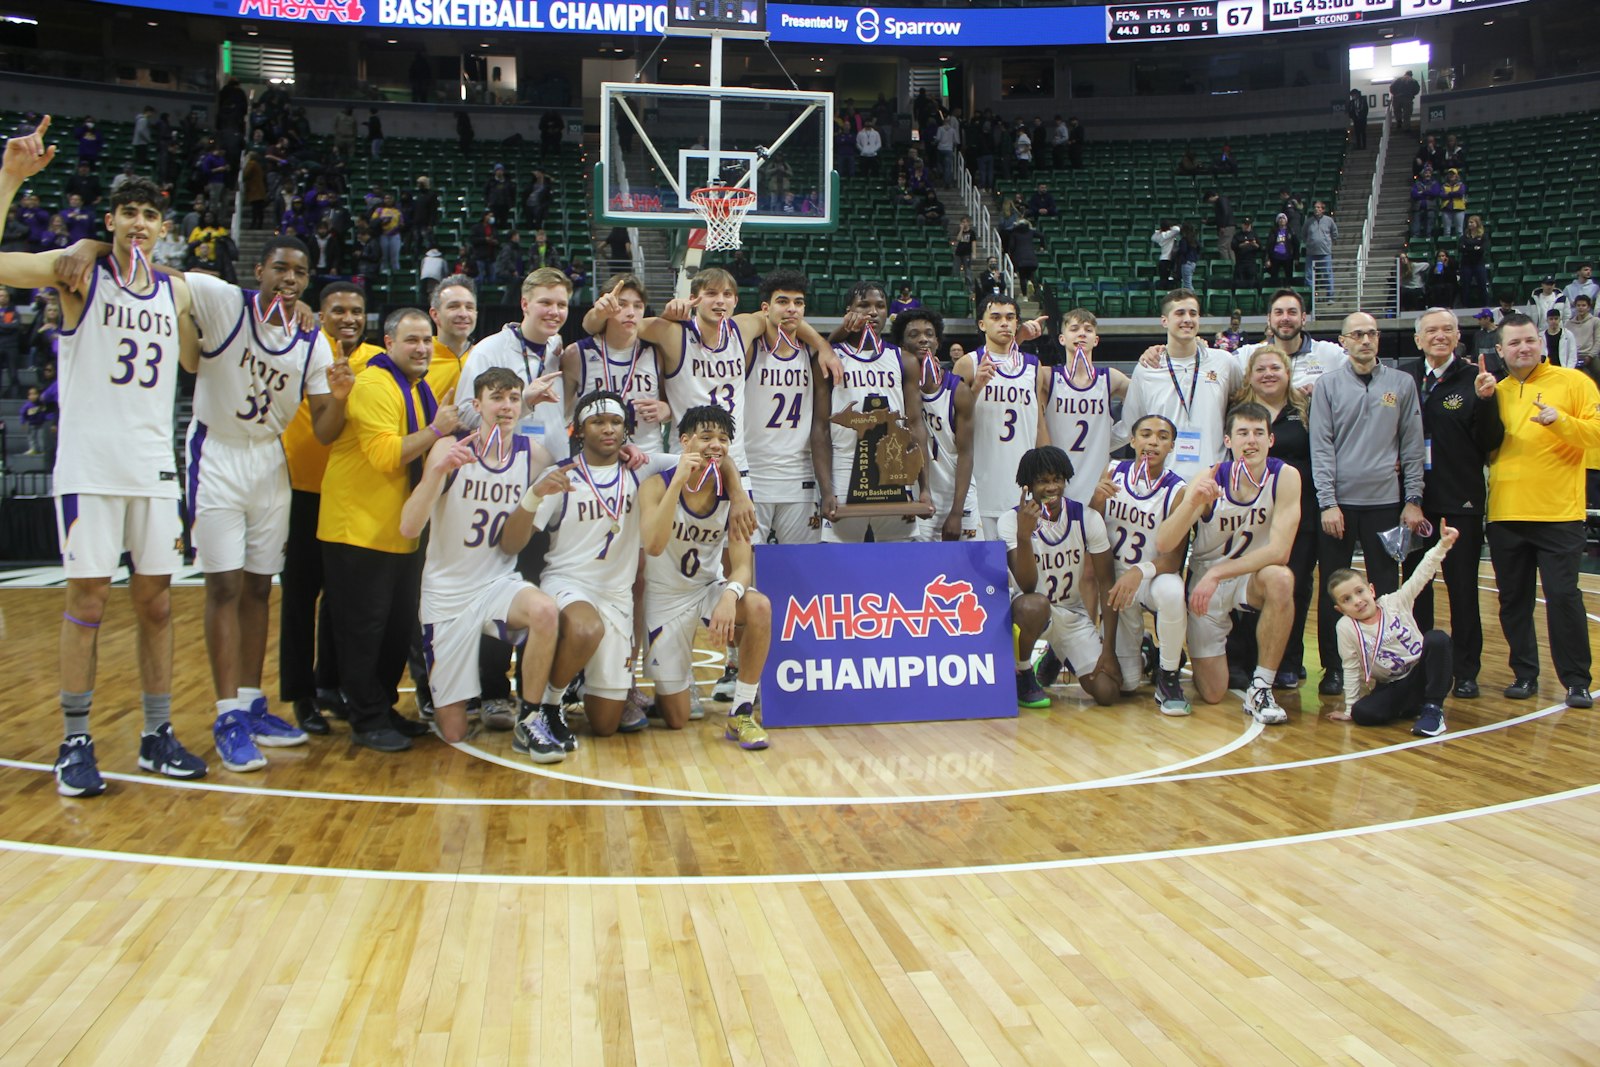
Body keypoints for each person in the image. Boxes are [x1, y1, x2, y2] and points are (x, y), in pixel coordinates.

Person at [0, 119, 206, 795]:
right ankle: (76, 738)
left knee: (156, 605)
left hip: (152, 467)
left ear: (162, 224)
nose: (139, 222)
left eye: (151, 213)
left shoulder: (176, 289)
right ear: (111, 218)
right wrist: (10, 179)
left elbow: (198, 362)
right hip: (90, 466)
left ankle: (155, 733)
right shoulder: (75, 271)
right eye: (128, 212)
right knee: (87, 601)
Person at [182, 237, 354, 770]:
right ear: (258, 270)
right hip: (217, 451)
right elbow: (172, 280)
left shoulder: (312, 339)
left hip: (268, 459)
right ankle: (226, 713)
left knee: (259, 586)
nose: (290, 277)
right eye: (280, 267)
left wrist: (342, 398)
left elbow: (325, 432)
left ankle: (252, 702)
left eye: (300, 272)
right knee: (224, 584)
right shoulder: (223, 300)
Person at [398, 367, 561, 746]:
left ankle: (532, 716)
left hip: (497, 583)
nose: (505, 406)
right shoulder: (450, 449)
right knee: (454, 733)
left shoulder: (535, 457)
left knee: (545, 611)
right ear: (477, 404)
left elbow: (516, 541)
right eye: (496, 397)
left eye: (513, 398)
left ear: (523, 405)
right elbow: (409, 527)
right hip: (447, 592)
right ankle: (453, 701)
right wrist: (437, 471)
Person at [320, 308, 457, 752]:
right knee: (364, 630)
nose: (421, 348)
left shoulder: (415, 387)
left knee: (396, 629)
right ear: (389, 342)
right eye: (411, 340)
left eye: (426, 341)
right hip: (358, 529)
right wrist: (438, 429)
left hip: (398, 531)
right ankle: (364, 717)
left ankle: (380, 707)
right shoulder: (376, 384)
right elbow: (385, 455)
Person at [1154, 403, 1301, 721]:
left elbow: (1280, 552)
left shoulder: (1286, 477)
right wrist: (1192, 502)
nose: (1252, 440)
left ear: (1270, 440)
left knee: (1281, 578)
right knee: (1213, 693)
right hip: (1207, 581)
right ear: (1228, 440)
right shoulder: (1208, 478)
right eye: (1243, 433)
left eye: (1259, 433)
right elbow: (1164, 542)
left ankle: (1261, 688)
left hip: (1249, 574)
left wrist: (1220, 572)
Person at [278, 282, 381, 734]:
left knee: (343, 599)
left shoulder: (376, 360)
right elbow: (257, 306)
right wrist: (291, 303)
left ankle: (330, 686)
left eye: (356, 311)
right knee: (300, 597)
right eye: (338, 310)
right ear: (320, 315)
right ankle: (300, 696)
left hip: (351, 494)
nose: (349, 318)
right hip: (301, 489)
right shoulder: (303, 345)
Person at [1309, 311, 1426, 695]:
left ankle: (1391, 666)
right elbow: (1321, 446)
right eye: (1357, 334)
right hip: (1338, 506)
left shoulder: (1401, 383)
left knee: (1385, 593)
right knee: (1335, 591)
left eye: (1372, 334)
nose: (1365, 340)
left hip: (1386, 505)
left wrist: (1413, 499)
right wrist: (1327, 502)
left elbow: (1411, 446)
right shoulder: (1327, 385)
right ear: (1343, 341)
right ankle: (1335, 669)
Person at [640, 406, 770, 748]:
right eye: (707, 437)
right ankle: (675, 682)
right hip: (664, 597)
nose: (716, 445)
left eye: (723, 439)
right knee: (678, 718)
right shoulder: (656, 484)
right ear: (684, 441)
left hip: (707, 588)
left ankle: (741, 712)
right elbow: (653, 546)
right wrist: (679, 481)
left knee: (758, 607)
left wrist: (730, 595)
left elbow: (742, 565)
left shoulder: (734, 495)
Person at [1487, 313, 1600, 707]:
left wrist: (1561, 421)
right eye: (1515, 343)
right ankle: (1524, 674)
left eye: (1530, 340)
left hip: (1560, 514)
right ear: (1500, 350)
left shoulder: (1574, 383)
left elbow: (1597, 433)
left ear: (1543, 343)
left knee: (1563, 596)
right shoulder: (1494, 391)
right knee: (1512, 600)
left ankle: (1575, 680)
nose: (1524, 348)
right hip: (1505, 514)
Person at [1402, 307, 1503, 699]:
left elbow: (1491, 441)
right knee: (1416, 588)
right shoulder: (1404, 377)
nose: (1439, 335)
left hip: (1460, 502)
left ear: (1458, 335)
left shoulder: (1473, 378)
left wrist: (1487, 401)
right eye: (1431, 330)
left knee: (1463, 591)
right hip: (1413, 504)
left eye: (1447, 329)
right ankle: (1421, 664)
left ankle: (1466, 670)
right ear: (1418, 339)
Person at [1223, 347, 1318, 689]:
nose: (1268, 373)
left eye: (1275, 367)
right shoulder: (1237, 409)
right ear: (1249, 375)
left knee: (1295, 583)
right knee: (1244, 579)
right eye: (1260, 368)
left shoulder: (1305, 408)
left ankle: (1288, 660)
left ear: (1289, 372)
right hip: (1247, 509)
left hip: (1299, 506)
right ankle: (1242, 658)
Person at [1001, 446, 1121, 708]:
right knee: (1035, 604)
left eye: (1056, 479)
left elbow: (1106, 583)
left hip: (1072, 613)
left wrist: (1109, 648)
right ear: (1027, 486)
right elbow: (1027, 585)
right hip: (1030, 613)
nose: (1051, 487)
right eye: (1043, 481)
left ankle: (1059, 654)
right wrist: (1024, 536)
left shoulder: (1086, 519)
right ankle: (1023, 671)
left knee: (1108, 691)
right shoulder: (1010, 521)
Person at [1087, 415, 1190, 714]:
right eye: (1145, 434)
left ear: (1171, 446)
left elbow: (1173, 558)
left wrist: (1138, 571)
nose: (1153, 441)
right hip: (1113, 580)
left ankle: (1169, 676)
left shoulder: (1177, 490)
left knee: (1173, 592)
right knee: (1127, 685)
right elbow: (1091, 528)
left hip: (1150, 576)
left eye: (1162, 436)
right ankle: (1146, 653)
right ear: (1132, 441)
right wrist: (1094, 501)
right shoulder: (1113, 471)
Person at [815, 280, 930, 544]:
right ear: (848, 311)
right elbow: (820, 428)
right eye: (863, 305)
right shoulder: (831, 357)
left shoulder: (904, 359)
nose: (872, 311)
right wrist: (826, 490)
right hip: (843, 467)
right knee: (840, 559)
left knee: (899, 559)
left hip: (895, 466)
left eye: (880, 306)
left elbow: (916, 425)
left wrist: (924, 488)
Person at [1326, 523, 1460, 737]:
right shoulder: (1345, 627)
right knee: (1362, 713)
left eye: (1360, 592)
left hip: (1423, 673)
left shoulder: (1394, 602)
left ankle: (1433, 709)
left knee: (1438, 639)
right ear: (1340, 609)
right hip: (1392, 685)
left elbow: (1421, 574)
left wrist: (1442, 545)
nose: (1357, 601)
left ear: (1371, 590)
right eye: (1347, 600)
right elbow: (1350, 667)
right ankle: (1414, 705)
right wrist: (1350, 707)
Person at [954, 292, 1046, 541]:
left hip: (1022, 486)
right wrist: (976, 388)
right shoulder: (968, 363)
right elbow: (954, 422)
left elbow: (1038, 421)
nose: (1004, 322)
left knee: (1024, 571)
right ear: (982, 324)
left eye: (1010, 317)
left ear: (1017, 324)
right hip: (981, 483)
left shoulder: (1032, 365)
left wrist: (1047, 469)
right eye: (995, 317)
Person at [1123, 288, 1242, 479]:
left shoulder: (1224, 362)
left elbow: (1241, 404)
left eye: (1193, 313)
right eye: (1180, 313)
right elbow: (1131, 426)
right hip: (1164, 483)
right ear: (1164, 321)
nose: (1187, 319)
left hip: (1215, 478)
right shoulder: (1146, 369)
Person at [743, 271, 821, 544]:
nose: (791, 308)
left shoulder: (812, 353)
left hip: (800, 477)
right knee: (747, 564)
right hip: (754, 475)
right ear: (765, 308)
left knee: (800, 566)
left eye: (798, 303)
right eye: (783, 301)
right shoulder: (750, 348)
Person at [565, 273, 668, 457]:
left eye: (638, 306)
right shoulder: (577, 354)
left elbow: (673, 404)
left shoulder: (656, 353)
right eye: (622, 304)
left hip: (648, 457)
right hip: (597, 460)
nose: (631, 312)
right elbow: (562, 415)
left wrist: (666, 410)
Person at [897, 308, 979, 542]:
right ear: (902, 345)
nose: (923, 339)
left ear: (938, 341)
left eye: (929, 334)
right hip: (915, 496)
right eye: (914, 334)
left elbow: (966, 454)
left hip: (956, 496)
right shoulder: (894, 388)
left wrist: (956, 511)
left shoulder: (958, 390)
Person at [1040, 307, 1130, 504]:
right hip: (1056, 477)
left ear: (1096, 340)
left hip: (1095, 481)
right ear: (1062, 338)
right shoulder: (1048, 376)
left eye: (1088, 329)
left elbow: (1143, 402)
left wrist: (1112, 438)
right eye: (1074, 328)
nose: (1081, 333)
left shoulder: (1110, 378)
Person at [1234, 289, 1348, 393]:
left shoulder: (1330, 353)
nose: (1285, 318)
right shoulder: (1247, 355)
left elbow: (1362, 370)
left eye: (1292, 312)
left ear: (1303, 318)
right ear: (1269, 319)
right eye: (1279, 312)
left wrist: (1323, 393)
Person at [1302, 201, 1338, 299]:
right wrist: (1310, 243)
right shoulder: (1308, 221)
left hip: (1325, 252)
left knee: (1327, 274)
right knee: (1309, 276)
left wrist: (1328, 243)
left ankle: (1330, 296)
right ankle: (1311, 297)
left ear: (1323, 209)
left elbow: (1334, 233)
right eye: (1315, 207)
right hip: (1311, 253)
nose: (1316, 209)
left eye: (1318, 207)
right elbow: (1304, 234)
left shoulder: (1329, 220)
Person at [1458, 215, 1489, 306]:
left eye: (1472, 222)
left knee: (1482, 284)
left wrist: (1469, 247)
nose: (1469, 224)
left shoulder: (1483, 236)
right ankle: (1465, 305)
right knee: (1465, 285)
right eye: (1469, 222)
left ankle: (1485, 304)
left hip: (1478, 263)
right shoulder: (1464, 236)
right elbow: (1460, 247)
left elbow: (1482, 249)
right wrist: (1474, 247)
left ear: (1477, 223)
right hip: (1466, 264)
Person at [1204, 190, 1235, 266]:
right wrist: (1208, 222)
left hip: (1226, 227)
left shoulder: (1221, 200)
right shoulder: (1222, 200)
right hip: (1229, 226)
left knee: (1222, 246)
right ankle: (1233, 266)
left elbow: (1225, 213)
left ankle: (1226, 266)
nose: (1210, 202)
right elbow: (1219, 218)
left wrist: (1222, 226)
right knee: (1228, 248)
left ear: (1211, 197)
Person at [1410, 165, 1441, 238]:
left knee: (1429, 228)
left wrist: (1422, 192)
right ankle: (1415, 240)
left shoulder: (1435, 183)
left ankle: (1428, 240)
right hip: (1418, 208)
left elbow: (1435, 193)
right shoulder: (1417, 183)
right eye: (1426, 173)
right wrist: (1427, 193)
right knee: (1415, 227)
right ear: (1423, 174)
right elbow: (1414, 194)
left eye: (1429, 173)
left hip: (1430, 208)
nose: (1427, 174)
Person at [1567, 294, 1599, 367]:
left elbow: (1598, 341)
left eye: (1583, 305)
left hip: (1590, 355)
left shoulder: (1595, 321)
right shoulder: (1568, 324)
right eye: (1578, 305)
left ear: (1588, 307)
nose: (1580, 308)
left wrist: (1590, 356)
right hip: (1573, 357)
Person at [1265, 213, 1296, 286]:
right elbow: (1269, 245)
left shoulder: (1290, 231)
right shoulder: (1273, 231)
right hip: (1275, 257)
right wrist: (1267, 259)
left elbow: (1296, 244)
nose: (1282, 220)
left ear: (1286, 220)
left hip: (1287, 257)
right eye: (1280, 218)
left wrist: (1296, 257)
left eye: (1283, 218)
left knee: (1288, 277)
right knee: (1274, 278)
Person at [1437, 169, 1467, 239]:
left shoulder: (1461, 185)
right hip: (1446, 209)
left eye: (1453, 174)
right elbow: (1442, 195)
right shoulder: (1444, 186)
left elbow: (1460, 193)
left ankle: (1460, 246)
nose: (1451, 176)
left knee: (1459, 231)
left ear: (1456, 175)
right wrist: (1453, 194)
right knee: (1447, 231)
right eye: (1450, 174)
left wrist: (1449, 194)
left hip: (1459, 209)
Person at [1231, 219, 1261, 287]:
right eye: (1245, 225)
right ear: (1242, 225)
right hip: (1240, 263)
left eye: (1248, 225)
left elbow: (1260, 247)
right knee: (1239, 283)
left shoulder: (1254, 235)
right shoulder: (1237, 235)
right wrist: (1242, 245)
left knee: (1252, 283)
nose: (1247, 226)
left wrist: (1254, 244)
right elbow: (1233, 246)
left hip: (1251, 262)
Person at [1151, 220, 1180, 286]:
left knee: (1163, 278)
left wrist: (1160, 231)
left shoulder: (1159, 235)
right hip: (1168, 260)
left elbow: (1153, 237)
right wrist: (1170, 227)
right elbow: (1177, 229)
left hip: (1162, 259)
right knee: (1166, 280)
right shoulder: (1169, 234)